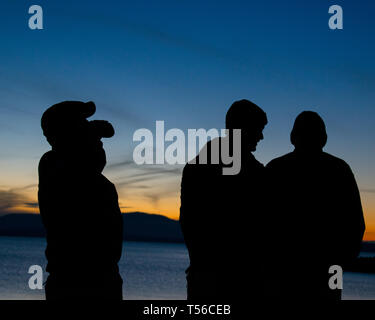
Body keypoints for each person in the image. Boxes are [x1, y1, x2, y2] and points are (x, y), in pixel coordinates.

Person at [266, 111, 365, 300]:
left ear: (292, 137)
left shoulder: (276, 169)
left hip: (283, 273)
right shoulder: (339, 169)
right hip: (319, 272)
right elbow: (356, 224)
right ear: (324, 138)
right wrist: (339, 263)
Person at [179, 99, 268, 300]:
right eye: (259, 129)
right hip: (239, 280)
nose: (261, 136)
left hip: (205, 277)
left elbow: (189, 223)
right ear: (244, 128)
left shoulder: (196, 166)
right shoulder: (255, 174)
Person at [38, 101, 123, 300]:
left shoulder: (88, 175)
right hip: (79, 285)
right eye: (83, 126)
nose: (100, 143)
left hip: (102, 281)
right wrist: (90, 135)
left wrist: (92, 134)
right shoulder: (56, 166)